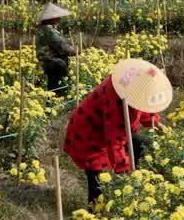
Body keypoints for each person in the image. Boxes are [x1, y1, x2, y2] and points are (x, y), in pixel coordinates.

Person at [63, 58, 171, 203]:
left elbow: (141, 104)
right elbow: (114, 140)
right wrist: (125, 172)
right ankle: (95, 213)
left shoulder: (132, 86)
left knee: (143, 144)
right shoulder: (116, 102)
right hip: (87, 135)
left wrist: (156, 123)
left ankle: (135, 181)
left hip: (107, 130)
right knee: (98, 182)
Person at [34, 3, 77, 92]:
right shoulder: (49, 31)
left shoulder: (41, 29)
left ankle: (51, 102)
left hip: (46, 63)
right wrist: (75, 51)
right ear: (51, 18)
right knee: (57, 89)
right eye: (57, 16)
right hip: (54, 64)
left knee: (52, 87)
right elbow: (61, 46)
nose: (60, 18)